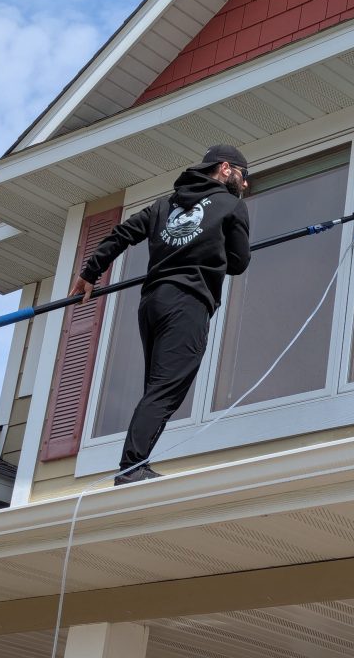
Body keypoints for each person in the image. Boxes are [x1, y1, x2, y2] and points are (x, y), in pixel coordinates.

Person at [70, 145, 251, 484]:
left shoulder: (163, 206)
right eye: (244, 176)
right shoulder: (232, 206)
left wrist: (89, 274)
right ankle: (131, 467)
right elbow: (239, 263)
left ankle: (137, 463)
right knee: (166, 389)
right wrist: (217, 245)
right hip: (189, 303)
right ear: (226, 169)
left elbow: (123, 234)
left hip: (153, 303)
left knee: (156, 388)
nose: (245, 185)